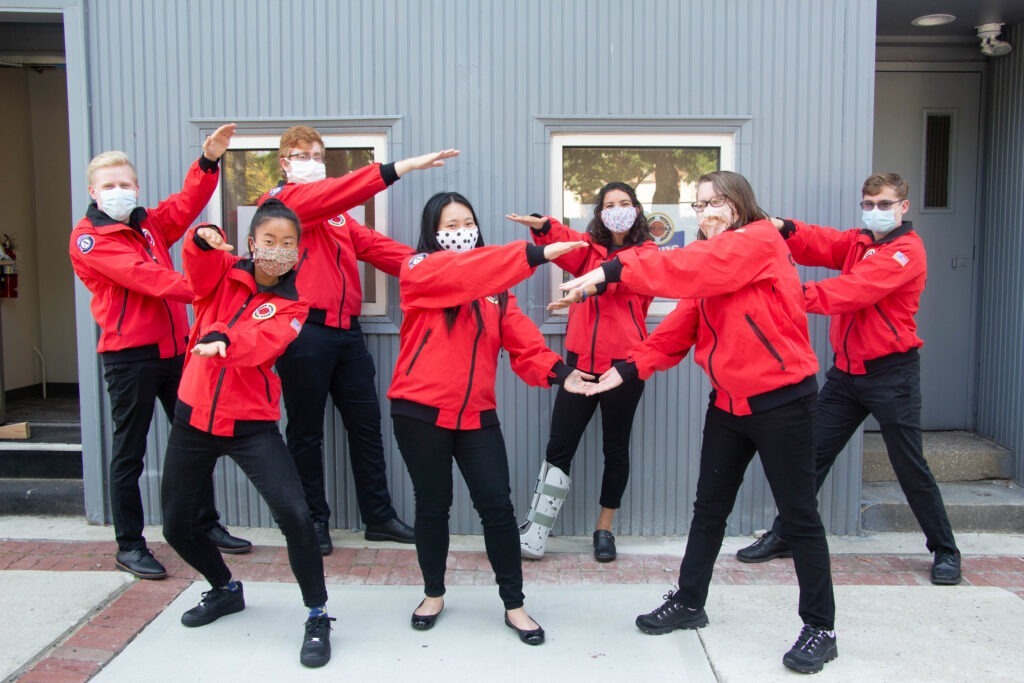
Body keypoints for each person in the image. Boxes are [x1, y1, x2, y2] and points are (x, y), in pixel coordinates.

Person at [560, 171, 838, 674]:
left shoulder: (758, 241)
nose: (705, 211)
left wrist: (610, 271)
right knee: (709, 509)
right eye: (699, 203)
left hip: (782, 402)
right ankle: (690, 601)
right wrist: (622, 372)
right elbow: (675, 332)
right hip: (729, 405)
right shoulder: (713, 269)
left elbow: (687, 267)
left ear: (740, 204)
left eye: (716, 202)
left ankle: (821, 626)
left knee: (799, 516)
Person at [736, 172, 962, 585]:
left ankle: (945, 551)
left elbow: (854, 291)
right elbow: (824, 242)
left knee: (910, 465)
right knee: (809, 458)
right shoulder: (860, 243)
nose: (875, 212)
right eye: (869, 204)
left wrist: (784, 294)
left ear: (903, 207)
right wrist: (783, 227)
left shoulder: (905, 252)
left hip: (891, 374)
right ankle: (785, 533)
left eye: (884, 205)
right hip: (846, 374)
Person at [388, 192, 591, 645]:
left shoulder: (497, 289)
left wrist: (561, 374)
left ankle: (514, 604)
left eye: (467, 222)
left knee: (497, 507)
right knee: (433, 504)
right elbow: (462, 273)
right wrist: (534, 253)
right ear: (432, 231)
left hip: (476, 414)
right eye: (449, 224)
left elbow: (524, 343)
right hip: (419, 412)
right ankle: (434, 593)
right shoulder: (419, 269)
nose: (460, 230)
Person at [261, 125, 459, 554]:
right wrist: (400, 167)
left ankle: (378, 517)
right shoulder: (282, 206)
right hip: (303, 332)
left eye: (317, 154)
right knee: (306, 433)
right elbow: (334, 195)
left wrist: (439, 267)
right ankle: (312, 520)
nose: (311, 161)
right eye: (302, 155)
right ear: (284, 161)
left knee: (366, 426)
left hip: (347, 333)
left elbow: (376, 247)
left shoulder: (335, 216)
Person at [69, 125, 252, 581]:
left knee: (197, 438)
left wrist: (208, 161)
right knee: (129, 453)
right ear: (93, 191)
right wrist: (213, 282)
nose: (118, 191)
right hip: (129, 357)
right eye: (109, 186)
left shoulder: (146, 223)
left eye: (125, 184)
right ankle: (129, 544)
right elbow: (148, 279)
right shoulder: (91, 238)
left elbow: (184, 205)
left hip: (175, 352)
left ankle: (205, 524)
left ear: (136, 186)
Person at [161, 201, 334, 668]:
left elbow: (263, 343)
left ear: (299, 252)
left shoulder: (294, 305)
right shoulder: (221, 273)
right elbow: (196, 268)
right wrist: (204, 237)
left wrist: (223, 339)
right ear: (252, 243)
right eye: (269, 241)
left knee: (296, 515)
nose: (278, 251)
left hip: (250, 423)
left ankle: (317, 613)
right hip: (193, 416)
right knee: (176, 525)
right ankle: (224, 588)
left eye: (288, 243)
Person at [506, 182, 656, 563]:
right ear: (600, 212)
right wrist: (543, 227)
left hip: (623, 368)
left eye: (625, 203)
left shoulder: (648, 252)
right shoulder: (588, 249)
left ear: (636, 209)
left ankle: (604, 530)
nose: (618, 209)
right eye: (610, 204)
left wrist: (586, 289)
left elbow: (622, 275)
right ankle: (537, 530)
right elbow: (568, 241)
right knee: (560, 446)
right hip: (579, 366)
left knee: (615, 448)